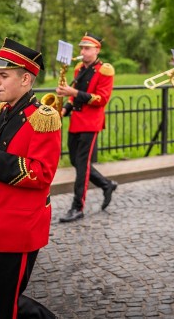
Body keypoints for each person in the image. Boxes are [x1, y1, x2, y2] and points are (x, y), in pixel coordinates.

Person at [0, 38, 61, 318]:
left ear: (26, 79)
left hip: (18, 225)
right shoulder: (1, 111)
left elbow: (43, 173)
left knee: (2, 305)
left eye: (3, 75)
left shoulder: (44, 117)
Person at [57, 32, 117, 223]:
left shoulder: (105, 70)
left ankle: (77, 207)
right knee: (76, 160)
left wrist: (73, 92)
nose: (83, 51)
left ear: (97, 50)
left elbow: (101, 99)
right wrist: (66, 108)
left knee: (82, 165)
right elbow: (74, 97)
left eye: (87, 48)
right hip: (76, 121)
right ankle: (106, 184)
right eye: (81, 48)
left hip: (91, 123)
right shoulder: (78, 68)